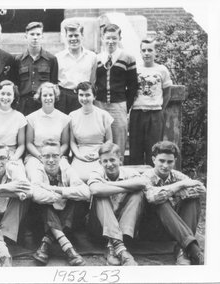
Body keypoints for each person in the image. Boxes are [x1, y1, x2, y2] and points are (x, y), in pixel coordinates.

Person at [142, 141, 205, 265]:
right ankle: (192, 247)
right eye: (161, 161)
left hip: (174, 230)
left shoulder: (177, 175)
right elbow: (152, 197)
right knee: (160, 201)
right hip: (151, 229)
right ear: (154, 159)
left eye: (170, 162)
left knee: (192, 199)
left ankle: (183, 250)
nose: (165, 165)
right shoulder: (146, 176)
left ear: (175, 160)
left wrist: (173, 191)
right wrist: (180, 186)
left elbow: (200, 189)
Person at [29, 139, 89, 266]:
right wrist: (64, 195)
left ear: (60, 157)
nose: (51, 160)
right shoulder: (37, 171)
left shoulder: (67, 169)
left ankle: (47, 241)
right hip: (43, 220)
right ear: (41, 157)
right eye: (46, 156)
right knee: (42, 204)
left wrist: (57, 189)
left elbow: (86, 192)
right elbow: (35, 194)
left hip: (67, 219)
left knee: (78, 202)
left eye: (55, 156)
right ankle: (68, 248)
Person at [87, 142, 146, 266]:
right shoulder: (96, 173)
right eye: (105, 161)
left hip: (124, 226)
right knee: (100, 196)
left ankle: (113, 247)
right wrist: (128, 187)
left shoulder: (129, 172)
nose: (109, 164)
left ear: (120, 160)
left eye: (113, 160)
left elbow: (142, 183)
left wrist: (109, 185)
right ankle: (119, 247)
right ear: (100, 162)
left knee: (138, 194)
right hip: (99, 227)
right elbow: (95, 190)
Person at [95, 24, 138, 158]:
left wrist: (126, 105)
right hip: (100, 104)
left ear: (119, 38)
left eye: (114, 38)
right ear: (102, 38)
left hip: (119, 105)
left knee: (119, 139)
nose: (111, 41)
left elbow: (133, 85)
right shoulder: (97, 58)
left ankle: (119, 169)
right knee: (101, 140)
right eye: (108, 38)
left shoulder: (127, 58)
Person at [129, 38, 173, 166]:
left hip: (155, 114)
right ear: (140, 52)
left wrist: (160, 108)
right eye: (144, 50)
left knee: (154, 149)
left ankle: (153, 179)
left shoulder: (162, 70)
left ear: (155, 52)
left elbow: (167, 93)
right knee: (135, 149)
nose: (147, 53)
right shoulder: (135, 69)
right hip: (137, 113)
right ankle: (135, 180)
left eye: (150, 50)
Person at [70, 82, 113, 182]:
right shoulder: (72, 116)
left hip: (100, 153)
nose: (84, 98)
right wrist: (79, 155)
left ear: (94, 96)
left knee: (98, 177)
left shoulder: (103, 115)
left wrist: (99, 154)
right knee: (76, 178)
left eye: (88, 95)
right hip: (81, 154)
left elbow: (109, 140)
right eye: (81, 95)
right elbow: (72, 142)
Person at [25, 82, 70, 176]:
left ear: (55, 96)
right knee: (35, 174)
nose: (48, 98)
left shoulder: (64, 118)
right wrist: (41, 157)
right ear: (40, 97)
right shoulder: (31, 118)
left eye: (51, 95)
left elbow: (65, 143)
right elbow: (29, 143)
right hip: (36, 156)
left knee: (66, 172)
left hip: (58, 156)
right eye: (45, 95)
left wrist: (55, 156)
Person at [15, 22, 58, 116]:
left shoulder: (51, 59)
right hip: (24, 105)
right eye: (32, 34)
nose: (35, 37)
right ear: (26, 36)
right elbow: (16, 85)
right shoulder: (18, 60)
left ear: (42, 36)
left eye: (38, 34)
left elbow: (54, 84)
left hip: (44, 104)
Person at [55, 21, 97, 114]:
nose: (73, 39)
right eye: (70, 36)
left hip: (83, 96)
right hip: (64, 98)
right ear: (66, 37)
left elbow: (93, 80)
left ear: (82, 36)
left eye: (76, 35)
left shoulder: (92, 57)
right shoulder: (58, 57)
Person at [0, 80, 27, 162]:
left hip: (13, 153)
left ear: (14, 97)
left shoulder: (20, 117)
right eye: (2, 94)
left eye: (9, 94)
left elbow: (21, 145)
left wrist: (14, 157)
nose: (5, 97)